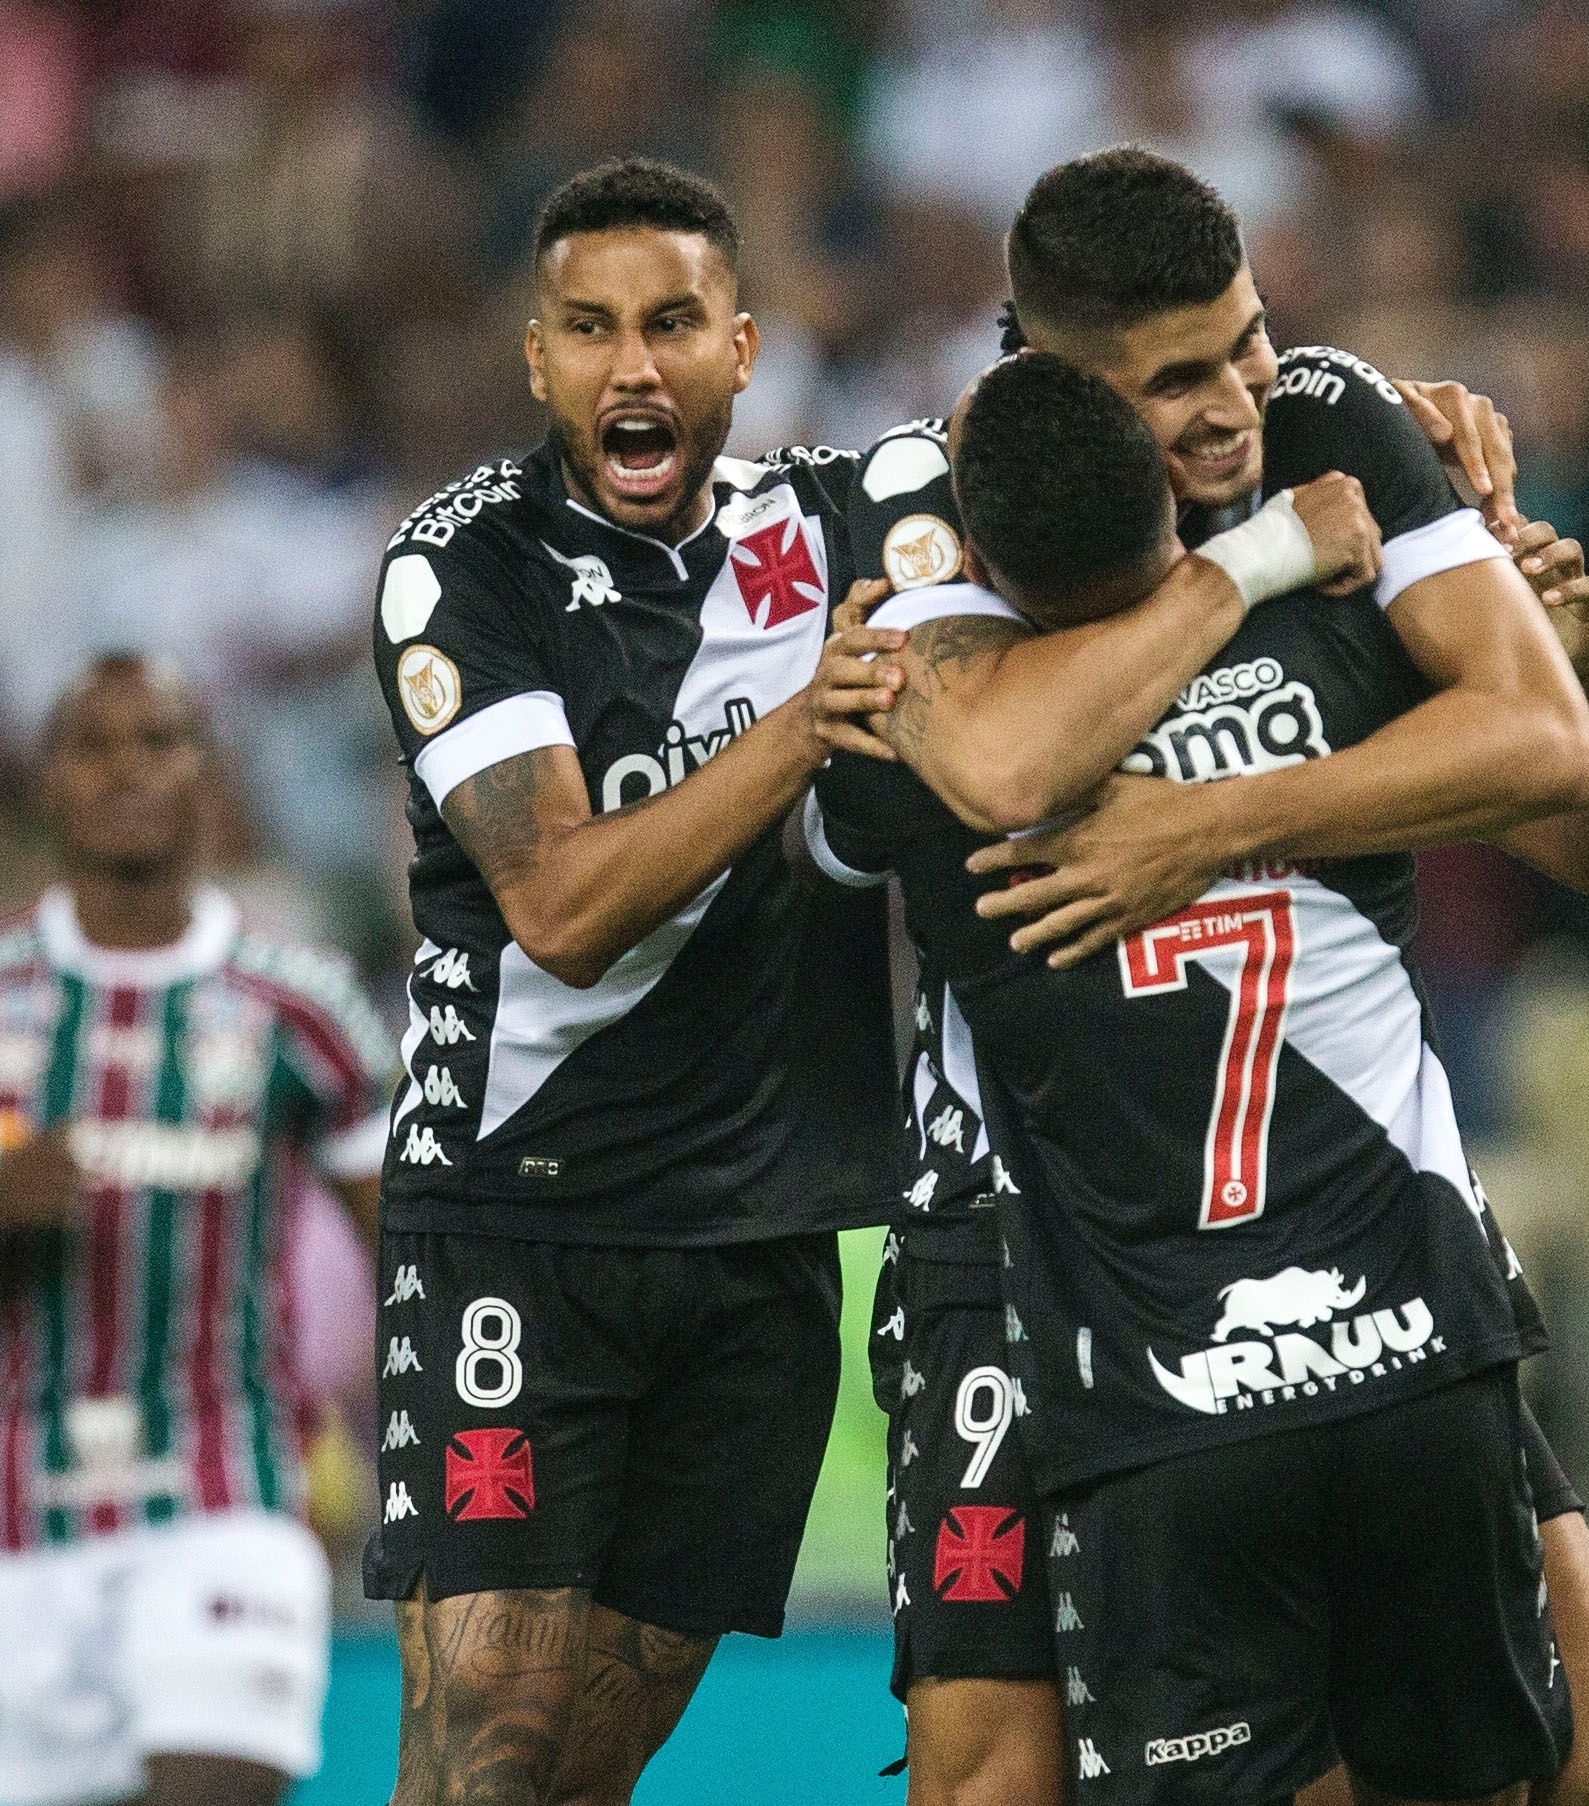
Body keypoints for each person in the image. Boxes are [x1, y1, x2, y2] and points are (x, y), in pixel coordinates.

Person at [817, 149, 1589, 1806]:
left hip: (1362, 1212)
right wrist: (1264, 563)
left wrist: (1200, 825)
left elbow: (1549, 752)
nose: (1230, 408)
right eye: (1172, 381)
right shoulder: (931, 502)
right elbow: (997, 769)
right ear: (1047, 387)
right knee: (996, 1775)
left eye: (1244, 343)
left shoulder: (1336, 423)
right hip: (1022, 1233)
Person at [361, 156, 942, 1806]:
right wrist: (803, 722)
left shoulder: (834, 520)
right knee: (497, 1740)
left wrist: (1344, 418)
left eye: (673, 322)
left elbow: (1088, 443)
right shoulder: (459, 568)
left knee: (581, 1772)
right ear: (535, 359)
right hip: (516, 1215)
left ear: (743, 347)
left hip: (756, 1237)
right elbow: (558, 902)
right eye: (590, 328)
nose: (634, 367)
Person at [0, 653, 394, 1806]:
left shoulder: (299, 1001)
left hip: (231, 1497)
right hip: (22, 1515)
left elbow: (407, 1251)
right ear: (46, 780)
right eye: (93, 744)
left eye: (160, 739)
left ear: (209, 773)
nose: (127, 769)